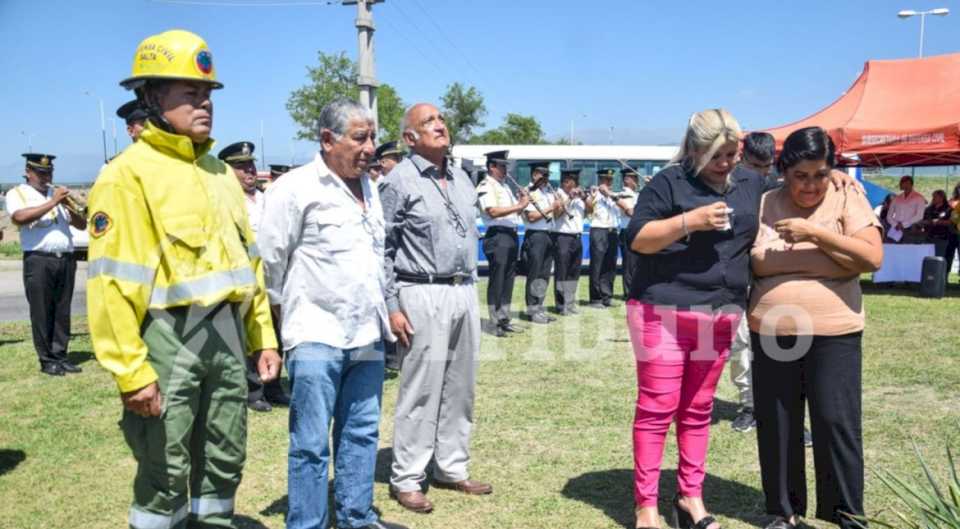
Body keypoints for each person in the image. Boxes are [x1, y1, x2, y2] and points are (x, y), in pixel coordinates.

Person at [86, 29, 281, 528]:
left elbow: (249, 266)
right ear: (151, 98)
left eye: (208, 94)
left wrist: (263, 337)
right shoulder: (127, 175)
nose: (204, 105)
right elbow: (111, 284)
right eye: (190, 94)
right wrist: (131, 373)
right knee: (164, 468)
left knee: (224, 458)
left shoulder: (220, 173)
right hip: (168, 338)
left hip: (227, 335)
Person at [258, 98, 407, 529]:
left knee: (360, 434)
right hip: (315, 334)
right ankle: (307, 523)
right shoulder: (295, 189)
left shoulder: (371, 188)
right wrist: (276, 330)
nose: (370, 147)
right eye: (360, 137)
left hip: (366, 332)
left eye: (373, 137)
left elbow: (377, 258)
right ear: (327, 140)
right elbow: (271, 263)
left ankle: (357, 517)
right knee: (310, 443)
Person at [625, 108, 758, 529]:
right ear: (695, 149)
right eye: (717, 156)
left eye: (733, 154)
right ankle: (646, 506)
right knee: (657, 408)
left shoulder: (751, 182)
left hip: (719, 314)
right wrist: (689, 222)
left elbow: (789, 188)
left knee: (698, 410)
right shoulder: (670, 182)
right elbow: (639, 239)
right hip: (662, 311)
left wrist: (837, 179)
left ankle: (690, 498)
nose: (727, 163)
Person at [749, 126, 882, 529]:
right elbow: (756, 260)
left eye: (820, 174)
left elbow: (871, 257)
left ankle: (846, 512)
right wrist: (837, 257)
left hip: (834, 332)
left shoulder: (848, 196)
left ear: (833, 171)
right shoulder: (765, 202)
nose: (810, 185)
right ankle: (783, 510)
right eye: (800, 176)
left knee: (835, 421)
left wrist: (815, 234)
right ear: (784, 171)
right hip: (771, 327)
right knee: (779, 422)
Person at [381, 103, 492, 514]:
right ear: (410, 138)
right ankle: (407, 477)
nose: (440, 125)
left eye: (440, 119)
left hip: (462, 289)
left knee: (460, 385)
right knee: (421, 387)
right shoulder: (398, 180)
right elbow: (384, 249)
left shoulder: (462, 177)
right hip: (420, 290)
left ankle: (451, 466)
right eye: (428, 122)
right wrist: (392, 305)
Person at [218, 140, 291, 412]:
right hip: (245, 277)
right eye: (240, 167)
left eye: (250, 165)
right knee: (251, 335)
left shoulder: (266, 198)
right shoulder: (227, 202)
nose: (248, 171)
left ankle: (274, 386)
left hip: (274, 276)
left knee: (276, 333)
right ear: (227, 170)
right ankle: (253, 390)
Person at [5, 153, 86, 376]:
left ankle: (61, 355)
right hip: (39, 259)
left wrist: (71, 206)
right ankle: (47, 359)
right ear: (28, 172)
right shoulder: (17, 193)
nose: (45, 177)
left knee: (63, 309)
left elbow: (81, 225)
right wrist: (53, 202)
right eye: (40, 173)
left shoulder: (55, 194)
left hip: (65, 258)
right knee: (42, 311)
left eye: (48, 172)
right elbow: (19, 218)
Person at [477, 150, 529, 336]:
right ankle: (493, 322)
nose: (505, 170)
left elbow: (515, 212)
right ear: (492, 167)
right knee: (497, 280)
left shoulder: (504, 186)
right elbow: (492, 211)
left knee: (508, 280)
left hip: (510, 235)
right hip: (497, 236)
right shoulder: (486, 185)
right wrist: (519, 205)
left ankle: (504, 318)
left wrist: (523, 200)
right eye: (502, 166)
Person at [521, 162, 558, 323]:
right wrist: (551, 207)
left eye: (548, 176)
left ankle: (539, 306)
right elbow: (531, 217)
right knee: (535, 274)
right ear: (535, 175)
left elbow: (556, 212)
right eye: (543, 176)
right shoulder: (527, 191)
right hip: (535, 235)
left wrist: (561, 204)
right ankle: (532, 310)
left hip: (549, 234)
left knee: (544, 274)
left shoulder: (548, 192)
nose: (546, 180)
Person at [551, 168, 588, 315]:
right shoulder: (558, 194)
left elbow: (589, 212)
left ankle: (570, 302)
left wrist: (585, 198)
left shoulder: (579, 197)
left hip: (577, 236)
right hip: (562, 237)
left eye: (575, 182)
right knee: (562, 272)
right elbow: (557, 213)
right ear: (565, 182)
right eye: (570, 182)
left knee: (574, 272)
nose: (573, 185)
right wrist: (569, 198)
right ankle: (561, 305)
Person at [587, 168, 620, 308]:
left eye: (611, 180)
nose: (609, 182)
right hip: (599, 230)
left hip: (612, 231)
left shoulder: (613, 195)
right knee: (597, 264)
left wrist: (611, 195)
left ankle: (607, 296)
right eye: (606, 180)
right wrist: (593, 195)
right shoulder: (594, 194)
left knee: (610, 265)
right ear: (600, 180)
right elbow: (588, 209)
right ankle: (595, 298)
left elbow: (621, 209)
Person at [617, 167, 641, 297]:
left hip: (636, 231)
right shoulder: (623, 194)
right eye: (634, 178)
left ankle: (635, 290)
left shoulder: (635, 194)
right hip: (627, 230)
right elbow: (631, 212)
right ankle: (628, 292)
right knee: (629, 264)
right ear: (627, 179)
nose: (637, 181)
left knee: (637, 263)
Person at [885, 175, 926, 243]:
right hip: (895, 229)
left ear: (908, 184)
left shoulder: (919, 198)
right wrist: (895, 225)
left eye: (902, 183)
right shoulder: (897, 198)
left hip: (910, 229)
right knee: (893, 250)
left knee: (907, 250)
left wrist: (904, 224)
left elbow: (919, 216)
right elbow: (889, 215)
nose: (900, 184)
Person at [922, 189, 953, 268]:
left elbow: (951, 222)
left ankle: (939, 278)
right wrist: (926, 222)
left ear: (941, 197)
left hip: (942, 238)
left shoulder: (949, 209)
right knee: (928, 260)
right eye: (933, 197)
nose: (933, 198)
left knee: (939, 260)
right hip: (929, 237)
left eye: (935, 197)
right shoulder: (929, 209)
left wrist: (939, 222)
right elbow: (924, 220)